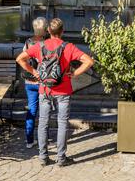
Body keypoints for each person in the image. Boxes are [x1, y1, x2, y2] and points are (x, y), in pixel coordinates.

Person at [16, 18, 94, 167]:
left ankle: (43, 157)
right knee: (62, 123)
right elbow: (89, 61)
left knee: (43, 123)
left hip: (44, 89)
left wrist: (35, 72)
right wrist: (75, 73)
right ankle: (61, 158)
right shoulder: (68, 47)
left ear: (49, 31)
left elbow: (20, 58)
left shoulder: (39, 46)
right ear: (62, 31)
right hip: (63, 91)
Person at [21, 17, 48, 149]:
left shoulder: (28, 42)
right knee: (44, 112)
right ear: (44, 29)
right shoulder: (46, 43)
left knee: (31, 111)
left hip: (29, 81)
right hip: (42, 82)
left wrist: (32, 71)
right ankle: (43, 141)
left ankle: (29, 140)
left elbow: (22, 59)